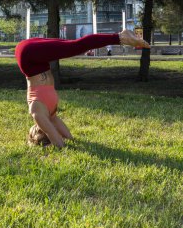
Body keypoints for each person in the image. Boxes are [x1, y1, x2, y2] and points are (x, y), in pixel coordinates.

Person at [15, 29, 150, 148]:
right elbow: (69, 138)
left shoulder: (37, 113)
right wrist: (58, 139)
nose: (43, 129)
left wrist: (41, 145)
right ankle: (119, 37)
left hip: (27, 56)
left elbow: (59, 144)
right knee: (73, 45)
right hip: (35, 60)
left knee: (75, 46)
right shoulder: (50, 116)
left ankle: (120, 37)